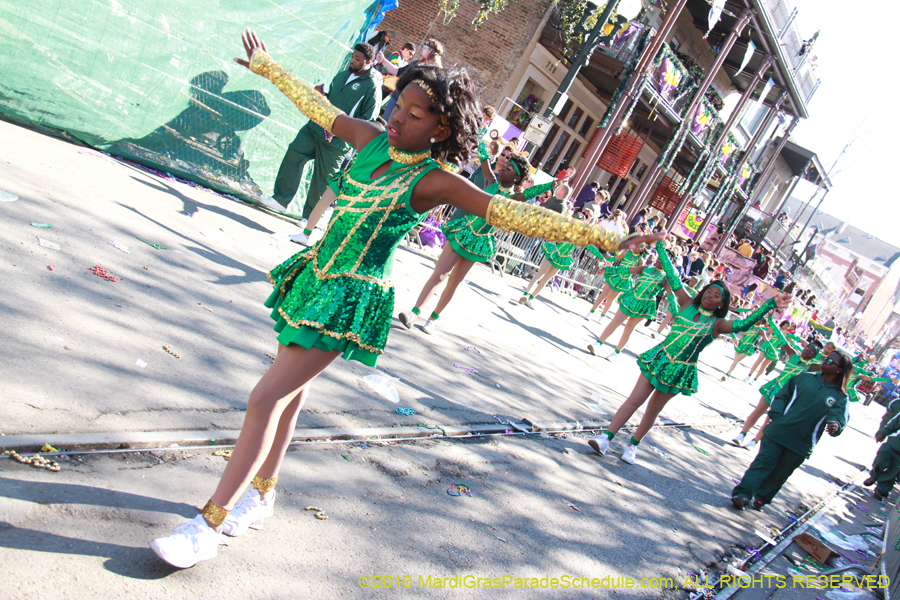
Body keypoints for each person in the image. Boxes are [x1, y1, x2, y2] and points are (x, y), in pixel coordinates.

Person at [148, 30, 666, 569]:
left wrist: (606, 236)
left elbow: (508, 212)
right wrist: (268, 68)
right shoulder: (372, 139)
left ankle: (209, 522)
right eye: (400, 103)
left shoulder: (434, 181)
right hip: (315, 277)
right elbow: (319, 107)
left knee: (263, 399)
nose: (399, 116)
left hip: (350, 296)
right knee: (287, 397)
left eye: (416, 114)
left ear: (441, 128)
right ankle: (263, 493)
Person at [588, 244, 790, 465]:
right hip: (659, 357)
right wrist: (660, 244)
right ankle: (606, 437)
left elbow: (746, 322)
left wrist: (770, 303)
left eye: (716, 297)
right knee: (633, 400)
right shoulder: (686, 303)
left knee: (651, 411)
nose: (710, 297)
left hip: (680, 369)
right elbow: (673, 275)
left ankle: (632, 446)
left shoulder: (718, 324)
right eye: (709, 292)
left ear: (722, 304)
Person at [398, 154, 535, 333]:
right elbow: (485, 156)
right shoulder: (490, 181)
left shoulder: (515, 197)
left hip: (480, 240)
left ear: (516, 177)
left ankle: (433, 319)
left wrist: (554, 185)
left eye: (508, 169)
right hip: (464, 230)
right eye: (505, 165)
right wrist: (484, 136)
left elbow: (531, 193)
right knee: (440, 274)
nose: (503, 168)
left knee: (454, 282)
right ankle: (414, 313)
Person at [258, 42, 382, 226]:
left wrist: (343, 131)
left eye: (358, 59)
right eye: (353, 57)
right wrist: (322, 95)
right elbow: (332, 99)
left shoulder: (372, 85)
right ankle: (280, 199)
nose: (353, 61)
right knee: (294, 152)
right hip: (314, 128)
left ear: (369, 61)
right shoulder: (342, 75)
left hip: (337, 142)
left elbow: (368, 120)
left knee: (322, 179)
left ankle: (309, 218)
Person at [731, 351, 851, 511]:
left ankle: (762, 498)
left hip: (800, 444)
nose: (825, 361)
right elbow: (781, 397)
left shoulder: (840, 397)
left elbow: (839, 417)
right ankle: (743, 494)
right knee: (763, 463)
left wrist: (835, 425)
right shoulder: (804, 378)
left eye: (830, 361)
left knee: (780, 473)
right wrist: (777, 416)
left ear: (839, 369)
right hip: (778, 432)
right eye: (825, 358)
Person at [731, 338, 823, 449]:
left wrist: (827, 356)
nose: (807, 352)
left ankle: (754, 442)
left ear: (814, 356)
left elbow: (830, 367)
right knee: (758, 411)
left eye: (811, 352)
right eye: (807, 349)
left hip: (786, 395)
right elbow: (783, 340)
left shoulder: (810, 367)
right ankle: (742, 434)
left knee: (769, 419)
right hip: (774, 387)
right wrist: (770, 320)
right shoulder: (793, 355)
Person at [587, 250, 670, 360]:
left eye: (662, 261)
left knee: (629, 328)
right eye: (658, 259)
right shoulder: (647, 268)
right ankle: (597, 344)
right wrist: (608, 269)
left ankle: (616, 353)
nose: (658, 261)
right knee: (615, 322)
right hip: (632, 297)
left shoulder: (666, 278)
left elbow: (672, 294)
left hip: (644, 303)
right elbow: (626, 269)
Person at [378, 38, 444, 121]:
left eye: (425, 46)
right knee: (386, 123)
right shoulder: (417, 63)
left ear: (430, 50)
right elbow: (398, 72)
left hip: (412, 105)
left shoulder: (435, 70)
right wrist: (383, 60)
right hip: (398, 97)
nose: (423, 48)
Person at [863, 394, 900, 500]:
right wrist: (882, 433)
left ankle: (881, 490)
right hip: (893, 443)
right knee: (882, 457)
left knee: (893, 472)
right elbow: (893, 422)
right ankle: (874, 475)